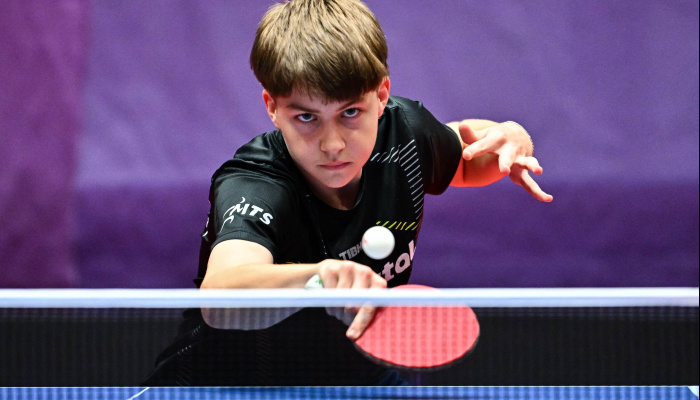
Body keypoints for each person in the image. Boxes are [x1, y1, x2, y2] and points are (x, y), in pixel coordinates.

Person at [143, 0, 552, 386]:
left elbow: (467, 158)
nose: (333, 144)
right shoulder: (256, 182)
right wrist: (318, 278)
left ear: (381, 95)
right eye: (307, 117)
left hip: (354, 376)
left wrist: (513, 136)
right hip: (229, 383)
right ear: (272, 107)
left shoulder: (404, 136)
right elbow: (222, 298)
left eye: (350, 112)